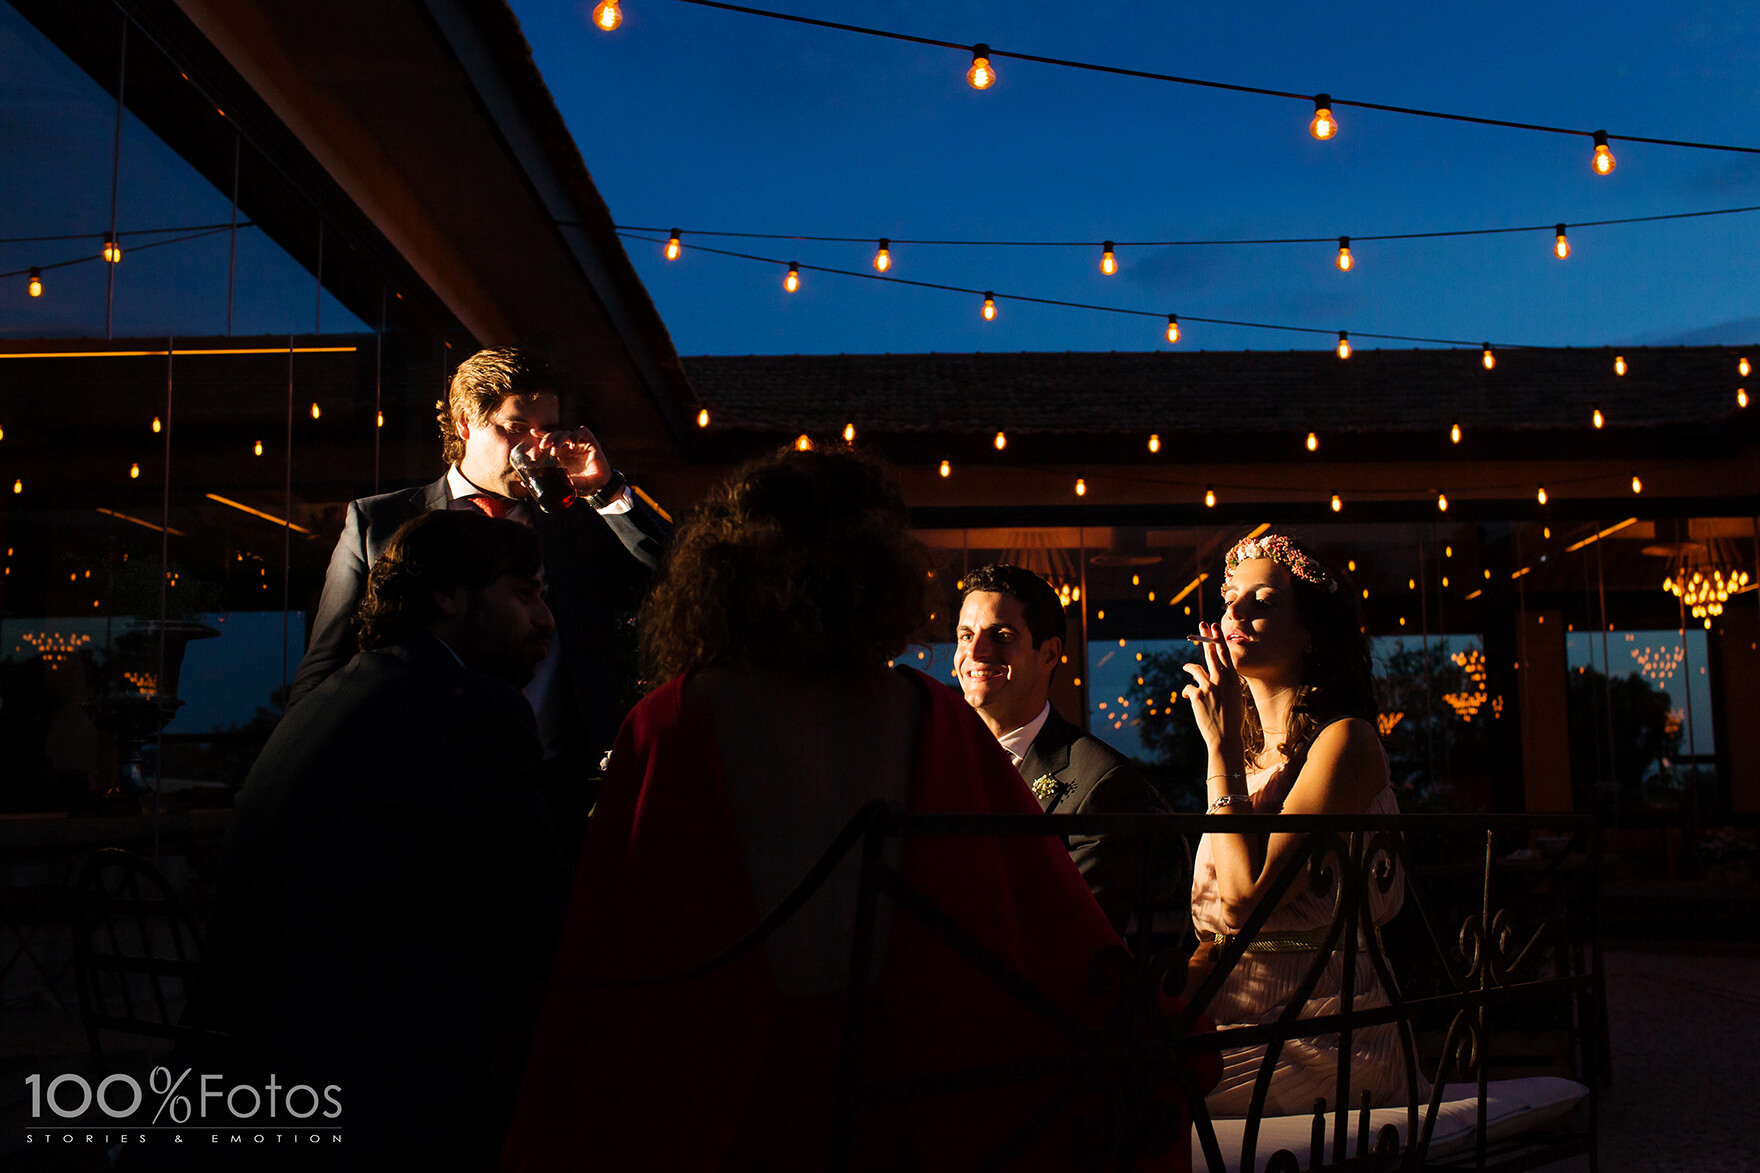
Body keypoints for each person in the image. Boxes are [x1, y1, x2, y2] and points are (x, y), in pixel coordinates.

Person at [502, 448, 1217, 1172]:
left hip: (718, 1102)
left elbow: (612, 962)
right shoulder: (933, 717)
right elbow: (1053, 937)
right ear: (878, 576)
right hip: (909, 1096)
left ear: (725, 574)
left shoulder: (668, 725)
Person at [205, 510, 571, 1169]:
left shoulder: (340, 693)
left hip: (263, 1053)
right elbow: (538, 910)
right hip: (379, 1081)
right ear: (449, 595)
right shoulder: (470, 704)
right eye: (524, 593)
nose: (544, 619)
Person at [289, 347, 671, 838]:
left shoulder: (578, 523)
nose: (534, 450)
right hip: (416, 798)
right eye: (514, 429)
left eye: (547, 433)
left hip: (558, 792)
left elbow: (677, 576)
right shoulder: (380, 523)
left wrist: (604, 488)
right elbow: (322, 672)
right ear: (466, 422)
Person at [1180, 533, 1412, 1116]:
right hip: (1231, 1013)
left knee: (1136, 1108)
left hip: (1325, 1028)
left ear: (1311, 632)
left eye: (1264, 600)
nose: (1235, 611)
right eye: (1231, 597)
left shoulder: (1344, 743)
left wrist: (1221, 749)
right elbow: (1217, 929)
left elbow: (1242, 903)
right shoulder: (1252, 762)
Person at [955, 563, 1174, 932]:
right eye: (965, 635)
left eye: (1002, 636)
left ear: (1050, 654)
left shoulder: (1102, 784)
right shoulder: (934, 756)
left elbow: (1068, 935)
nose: (975, 652)